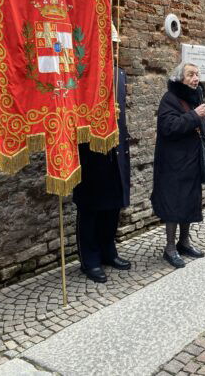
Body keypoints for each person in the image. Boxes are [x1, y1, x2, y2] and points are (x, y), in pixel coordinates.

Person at [73, 65, 131, 283]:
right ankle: (90, 260)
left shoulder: (119, 72)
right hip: (91, 151)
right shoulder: (82, 71)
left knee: (112, 207)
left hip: (116, 150)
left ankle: (109, 252)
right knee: (90, 208)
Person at [151, 62, 205, 268]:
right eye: (191, 74)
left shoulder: (195, 98)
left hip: (191, 161)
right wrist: (195, 116)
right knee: (174, 203)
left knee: (190, 201)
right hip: (173, 163)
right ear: (180, 78)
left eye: (197, 74)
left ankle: (184, 242)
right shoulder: (170, 98)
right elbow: (169, 127)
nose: (195, 78)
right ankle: (169, 248)